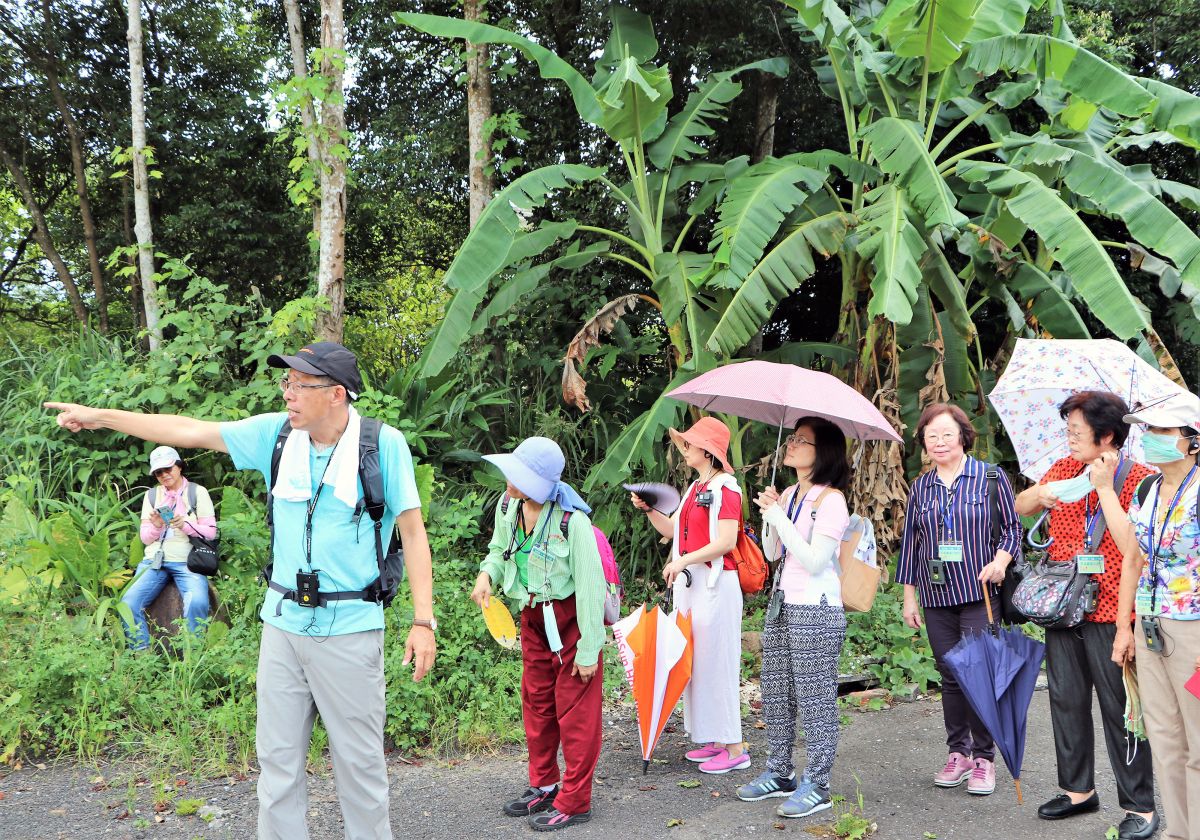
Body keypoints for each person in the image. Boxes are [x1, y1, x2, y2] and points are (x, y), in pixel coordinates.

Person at [45, 341, 436, 840]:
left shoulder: (381, 446)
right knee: (276, 768)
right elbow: (187, 429)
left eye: (300, 385)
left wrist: (423, 621)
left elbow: (414, 531)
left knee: (360, 771)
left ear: (337, 394)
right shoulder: (276, 435)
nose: (289, 395)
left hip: (352, 628)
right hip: (282, 624)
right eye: (287, 384)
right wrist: (101, 416)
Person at [1013, 392, 1157, 839]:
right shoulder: (1062, 470)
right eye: (1067, 430)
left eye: (1076, 431)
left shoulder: (1140, 480)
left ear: (1108, 435)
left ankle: (1141, 807)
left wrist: (1104, 488)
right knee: (1066, 700)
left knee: (1120, 709)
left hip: (1113, 610)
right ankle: (1077, 790)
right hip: (1063, 605)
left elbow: (1133, 544)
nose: (1069, 439)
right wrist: (1042, 493)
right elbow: (1021, 507)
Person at [471, 437, 605, 832]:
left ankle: (576, 800)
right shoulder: (508, 506)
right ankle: (545, 783)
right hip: (531, 618)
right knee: (537, 704)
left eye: (519, 475)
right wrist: (486, 577)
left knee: (576, 715)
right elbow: (498, 550)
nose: (508, 479)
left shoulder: (572, 521)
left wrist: (589, 649)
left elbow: (592, 587)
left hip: (572, 622)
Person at [895, 402, 1022, 796]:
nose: (939, 442)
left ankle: (985, 758)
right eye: (931, 436)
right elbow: (912, 546)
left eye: (947, 434)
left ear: (963, 436)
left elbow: (1013, 531)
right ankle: (959, 753)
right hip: (935, 595)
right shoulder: (921, 486)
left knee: (977, 673)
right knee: (950, 674)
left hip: (978, 591)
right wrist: (909, 597)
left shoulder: (989, 477)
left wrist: (1001, 561)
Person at [737, 416, 851, 818]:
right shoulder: (788, 493)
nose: (792, 445)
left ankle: (817, 783)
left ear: (822, 454)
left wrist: (781, 519)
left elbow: (817, 561)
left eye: (803, 440)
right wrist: (772, 515)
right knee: (777, 690)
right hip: (783, 603)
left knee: (815, 697)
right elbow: (773, 554)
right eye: (794, 437)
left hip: (816, 608)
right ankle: (780, 771)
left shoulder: (831, 500)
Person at [630, 416, 748, 775]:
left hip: (716, 586)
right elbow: (673, 530)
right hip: (692, 585)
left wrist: (682, 560)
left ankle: (735, 746)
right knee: (696, 664)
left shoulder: (727, 489)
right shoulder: (696, 487)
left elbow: (726, 542)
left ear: (709, 450)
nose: (685, 449)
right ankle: (714, 739)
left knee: (719, 664)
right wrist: (650, 509)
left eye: (691, 443)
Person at [1112, 392, 1200, 840]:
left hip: (1194, 631)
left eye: (1162, 431)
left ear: (1192, 441)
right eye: (1148, 430)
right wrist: (1122, 626)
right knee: (1165, 739)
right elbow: (1132, 558)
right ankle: (1178, 833)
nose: (1150, 439)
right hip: (1149, 628)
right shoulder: (1147, 488)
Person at [121, 445, 217, 649]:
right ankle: (141, 657)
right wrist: (156, 527)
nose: (164, 475)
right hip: (155, 560)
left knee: (198, 602)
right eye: (158, 472)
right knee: (128, 604)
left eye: (168, 469)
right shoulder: (152, 496)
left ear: (179, 466)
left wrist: (185, 525)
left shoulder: (197, 493)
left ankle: (193, 654)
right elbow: (146, 538)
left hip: (187, 562)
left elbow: (210, 532)